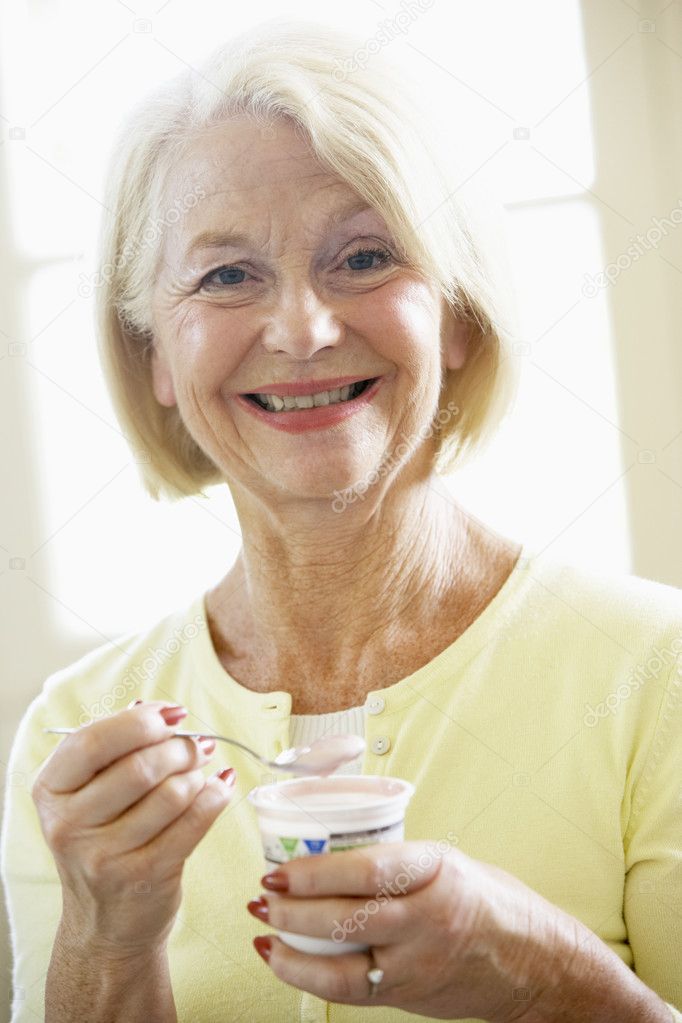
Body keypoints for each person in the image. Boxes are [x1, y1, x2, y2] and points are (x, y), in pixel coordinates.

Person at [2, 17, 681, 1023]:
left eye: (362, 258)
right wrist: (107, 940)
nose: (303, 329)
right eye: (227, 275)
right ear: (153, 352)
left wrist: (549, 981)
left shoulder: (653, 675)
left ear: (455, 314)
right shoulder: (77, 732)